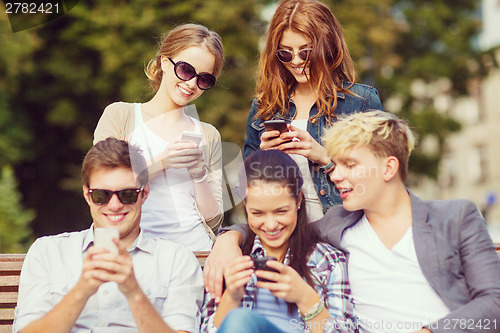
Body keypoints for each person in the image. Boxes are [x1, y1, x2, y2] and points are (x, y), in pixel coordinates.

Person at [205, 111, 500, 333]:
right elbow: (276, 222)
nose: (334, 175)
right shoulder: (336, 225)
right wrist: (229, 238)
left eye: (349, 165)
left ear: (388, 168)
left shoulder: (454, 217)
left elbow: (494, 305)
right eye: (335, 164)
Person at [14, 138, 204, 333]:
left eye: (127, 194)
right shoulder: (47, 252)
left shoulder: (177, 260)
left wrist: (134, 292)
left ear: (144, 193)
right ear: (87, 195)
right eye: (101, 196)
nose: (114, 205)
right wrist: (81, 291)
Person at [245, 0, 384, 222]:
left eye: (305, 51)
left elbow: (381, 182)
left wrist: (324, 158)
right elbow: (248, 191)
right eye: (286, 54)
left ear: (328, 46)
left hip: (344, 233)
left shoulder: (361, 102)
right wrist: (262, 160)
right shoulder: (265, 107)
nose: (297, 61)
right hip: (286, 235)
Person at [94, 23, 224, 250]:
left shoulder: (208, 134)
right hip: (133, 252)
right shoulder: (120, 115)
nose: (191, 83)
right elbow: (101, 188)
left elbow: (213, 221)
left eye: (204, 79)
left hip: (194, 253)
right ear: (164, 62)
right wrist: (161, 162)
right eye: (186, 70)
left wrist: (200, 175)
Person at [201, 150, 355, 333]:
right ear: (245, 207)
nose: (271, 225)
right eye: (257, 213)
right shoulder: (231, 257)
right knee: (238, 319)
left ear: (298, 200)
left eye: (281, 211)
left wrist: (305, 298)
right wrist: (232, 296)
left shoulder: (327, 260)